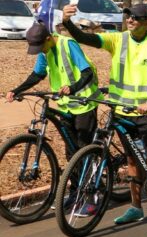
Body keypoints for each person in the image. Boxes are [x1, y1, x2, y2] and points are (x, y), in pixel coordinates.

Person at [62, 2, 147, 233]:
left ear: (146, 22)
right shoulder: (118, 39)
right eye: (128, 16)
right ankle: (136, 207)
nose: (129, 20)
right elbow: (86, 39)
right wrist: (66, 22)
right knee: (132, 160)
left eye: (134, 17)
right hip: (122, 111)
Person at [7, 22, 100, 157]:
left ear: (48, 38)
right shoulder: (45, 51)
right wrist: (17, 90)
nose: (40, 50)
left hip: (85, 102)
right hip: (65, 105)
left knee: (83, 148)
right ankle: (73, 177)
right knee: (70, 150)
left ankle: (94, 174)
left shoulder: (68, 44)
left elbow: (87, 72)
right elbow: (38, 74)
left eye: (41, 47)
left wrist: (72, 88)